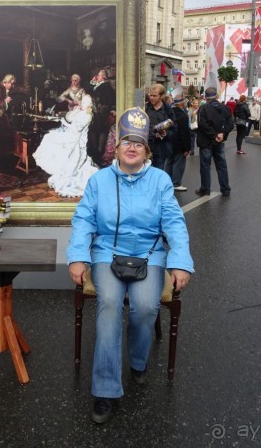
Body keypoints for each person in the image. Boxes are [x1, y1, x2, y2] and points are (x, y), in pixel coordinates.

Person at [67, 107, 194, 424]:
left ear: (146, 149)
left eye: (138, 142)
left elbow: (174, 224)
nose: (132, 147)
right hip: (107, 252)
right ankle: (105, 390)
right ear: (118, 146)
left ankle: (138, 361)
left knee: (145, 306)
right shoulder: (99, 181)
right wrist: (78, 256)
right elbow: (83, 220)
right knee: (109, 303)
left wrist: (180, 262)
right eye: (127, 141)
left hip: (149, 254)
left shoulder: (161, 180)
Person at [33, 94, 98, 197]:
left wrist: (63, 121)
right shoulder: (81, 112)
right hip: (72, 135)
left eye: (85, 103)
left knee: (50, 138)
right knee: (48, 137)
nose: (83, 104)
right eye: (83, 102)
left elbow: (76, 129)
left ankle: (64, 173)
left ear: (89, 104)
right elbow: (70, 118)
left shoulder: (88, 115)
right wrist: (74, 112)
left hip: (75, 139)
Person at [196, 87, 234, 197]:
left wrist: (214, 135)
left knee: (205, 166)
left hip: (206, 142)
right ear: (216, 96)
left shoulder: (203, 108)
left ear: (206, 97)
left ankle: (205, 189)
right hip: (219, 141)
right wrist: (222, 134)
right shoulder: (225, 107)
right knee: (222, 166)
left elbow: (203, 124)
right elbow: (230, 124)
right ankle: (225, 189)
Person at [164, 90, 191, 191]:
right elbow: (185, 133)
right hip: (179, 144)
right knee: (178, 164)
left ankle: (166, 182)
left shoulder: (169, 112)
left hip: (169, 141)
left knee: (169, 162)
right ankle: (176, 183)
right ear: (182, 103)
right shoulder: (182, 115)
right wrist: (187, 148)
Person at [89, 69, 116, 164]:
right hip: (97, 112)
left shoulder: (105, 86)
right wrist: (93, 82)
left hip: (102, 112)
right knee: (95, 130)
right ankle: (96, 150)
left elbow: (110, 99)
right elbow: (91, 91)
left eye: (98, 75)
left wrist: (106, 109)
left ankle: (99, 151)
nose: (97, 77)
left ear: (103, 77)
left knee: (101, 130)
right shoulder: (99, 85)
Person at [145, 83, 174, 170]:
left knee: (158, 173)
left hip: (161, 148)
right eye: (150, 95)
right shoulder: (145, 108)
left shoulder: (168, 111)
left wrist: (166, 134)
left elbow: (174, 130)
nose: (151, 98)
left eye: (154, 96)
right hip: (146, 145)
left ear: (161, 96)